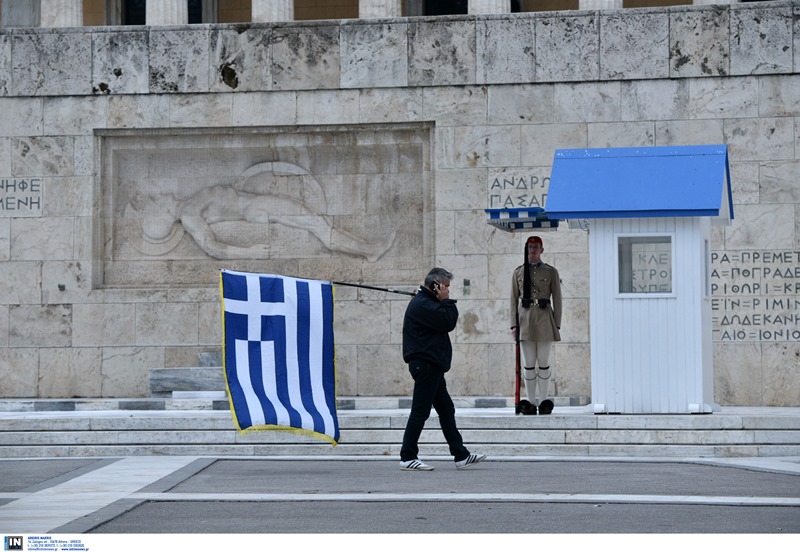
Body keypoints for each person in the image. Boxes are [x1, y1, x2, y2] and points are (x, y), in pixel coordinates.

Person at [399, 267, 487, 471]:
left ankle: (461, 454)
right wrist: (446, 300)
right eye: (446, 287)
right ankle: (407, 456)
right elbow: (448, 321)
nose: (448, 291)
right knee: (420, 411)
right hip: (426, 365)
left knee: (446, 409)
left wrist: (443, 300)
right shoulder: (423, 305)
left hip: (432, 366)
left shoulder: (427, 303)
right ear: (435, 285)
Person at [510, 236, 562, 415]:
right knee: (529, 363)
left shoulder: (550, 272)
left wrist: (557, 323)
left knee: (544, 362)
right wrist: (513, 325)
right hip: (525, 320)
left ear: (542, 250)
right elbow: (512, 300)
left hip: (545, 318)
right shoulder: (518, 272)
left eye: (536, 247)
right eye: (530, 247)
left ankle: (544, 400)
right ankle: (531, 402)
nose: (532, 250)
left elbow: (558, 299)